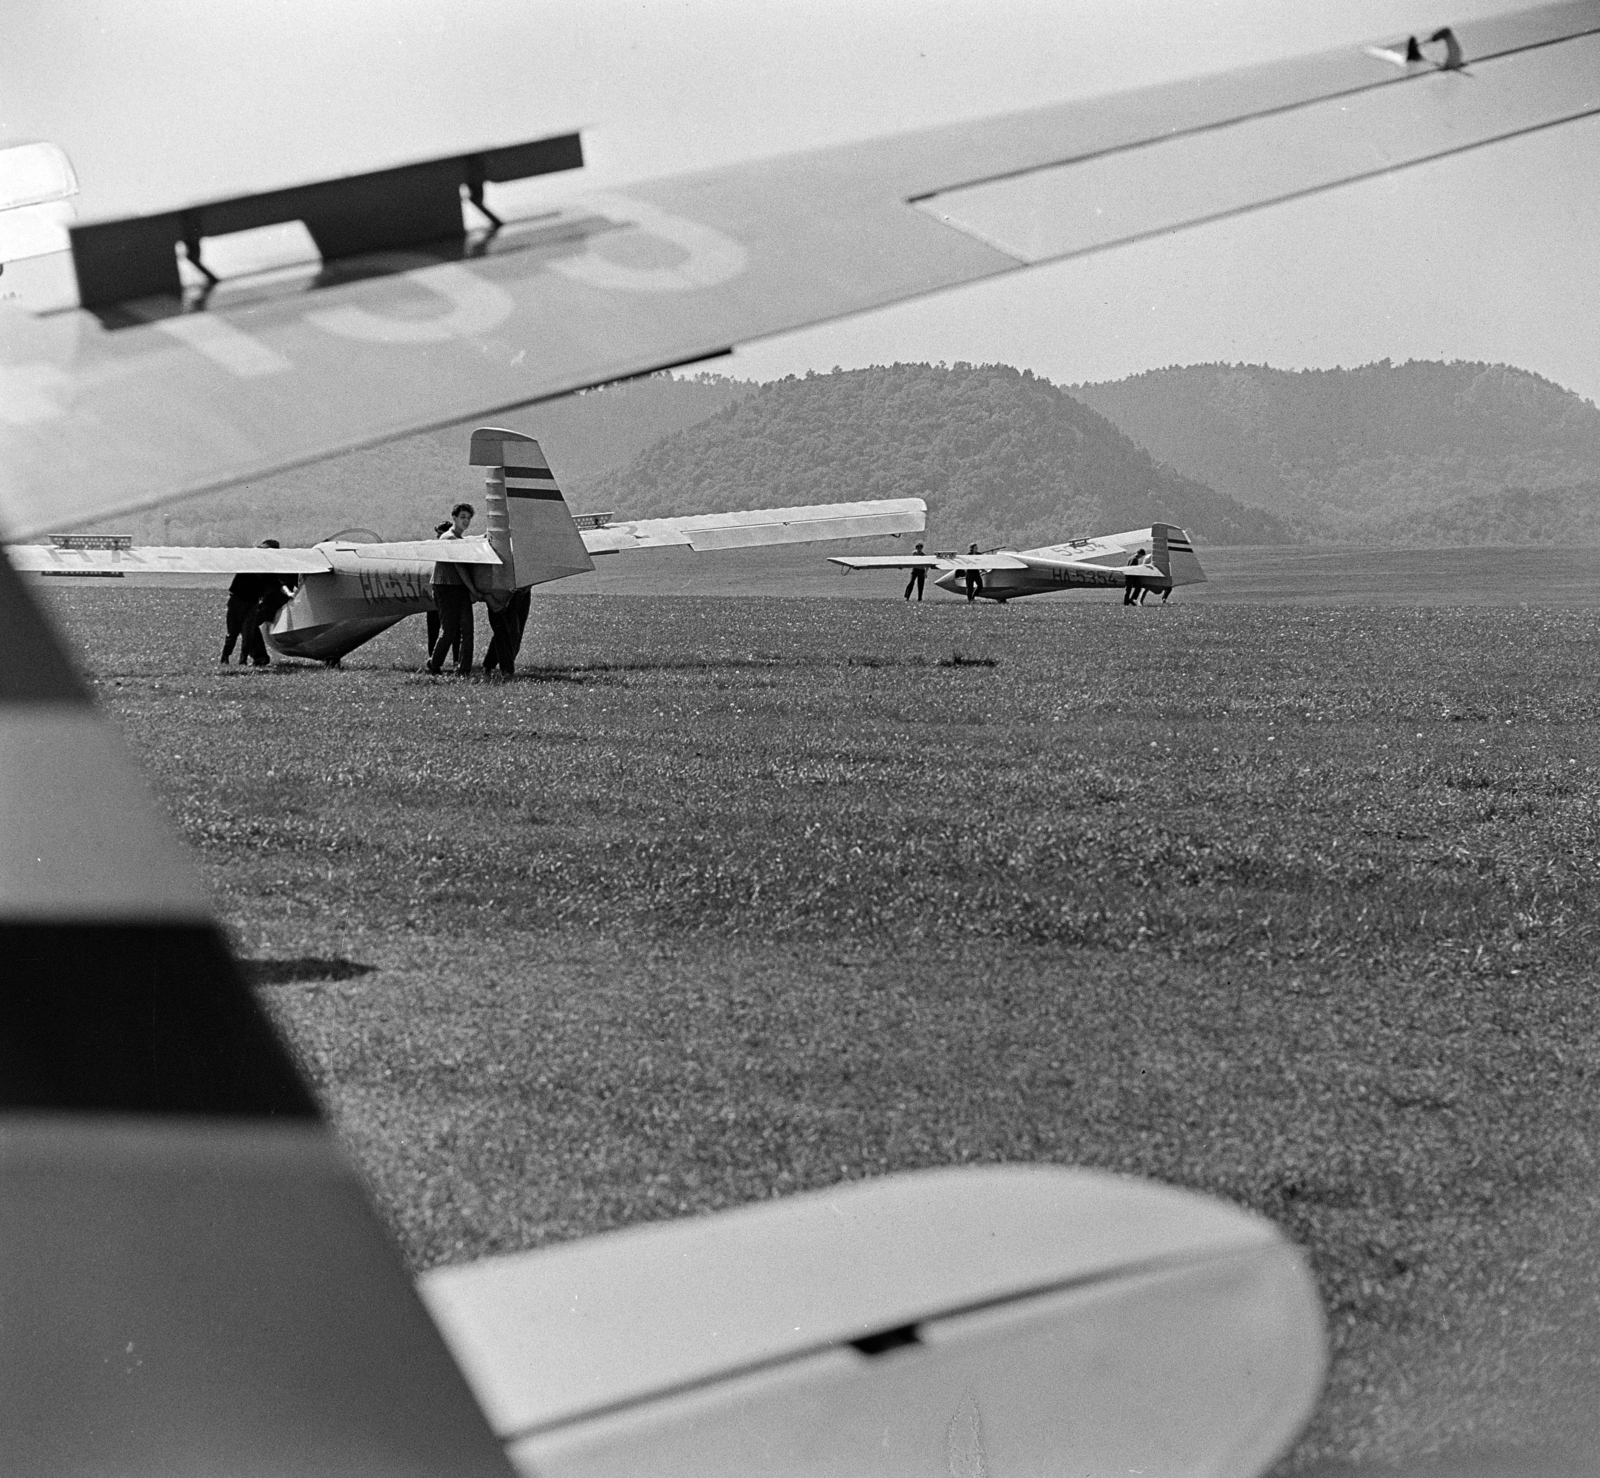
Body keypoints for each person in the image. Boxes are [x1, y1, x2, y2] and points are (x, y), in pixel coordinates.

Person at [427, 503, 479, 674]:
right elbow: (460, 569)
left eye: (469, 518)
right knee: (449, 631)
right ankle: (434, 664)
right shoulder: (449, 539)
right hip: (445, 588)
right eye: (463, 517)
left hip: (459, 588)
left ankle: (463, 670)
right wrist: (473, 590)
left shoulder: (460, 539)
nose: (466, 521)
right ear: (454, 518)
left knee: (467, 630)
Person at [221, 539, 284, 664]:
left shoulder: (268, 571)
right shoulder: (249, 563)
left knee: (248, 634)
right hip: (237, 601)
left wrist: (290, 593)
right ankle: (225, 658)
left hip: (252, 604)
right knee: (232, 633)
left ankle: (243, 660)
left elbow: (278, 583)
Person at [481, 586, 532, 675]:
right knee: (506, 631)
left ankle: (490, 664)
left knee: (513, 632)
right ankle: (506, 670)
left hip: (522, 589)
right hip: (501, 590)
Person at [424, 520, 453, 660]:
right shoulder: (433, 549)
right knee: (433, 629)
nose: (438, 538)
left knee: (452, 630)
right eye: (438, 535)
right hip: (435, 594)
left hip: (447, 593)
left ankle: (456, 660)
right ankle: (433, 658)